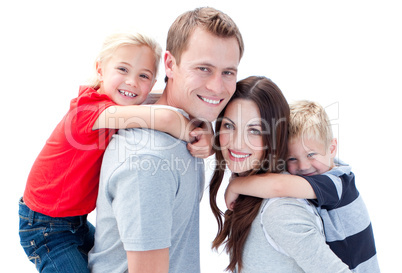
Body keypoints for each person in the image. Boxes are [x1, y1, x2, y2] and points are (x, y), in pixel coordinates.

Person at [18, 31, 212, 273]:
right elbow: (164, 116)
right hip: (45, 227)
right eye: (122, 69)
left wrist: (206, 126)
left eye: (144, 75)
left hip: (74, 221)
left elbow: (162, 104)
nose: (132, 81)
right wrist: (194, 131)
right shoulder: (87, 111)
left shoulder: (119, 104)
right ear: (100, 69)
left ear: (152, 83)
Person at [88, 7, 244, 273]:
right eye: (204, 69)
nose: (218, 87)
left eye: (228, 72)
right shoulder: (148, 161)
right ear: (170, 65)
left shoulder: (183, 129)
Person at [210, 76, 352, 273]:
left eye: (254, 131)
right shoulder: (253, 192)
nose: (236, 142)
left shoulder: (280, 210)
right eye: (229, 125)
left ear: (274, 138)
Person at [224, 100, 380, 272]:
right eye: (292, 159)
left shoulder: (337, 183)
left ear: (332, 148)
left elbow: (278, 186)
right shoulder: (321, 173)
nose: (304, 166)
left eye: (311, 154)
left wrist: (236, 185)